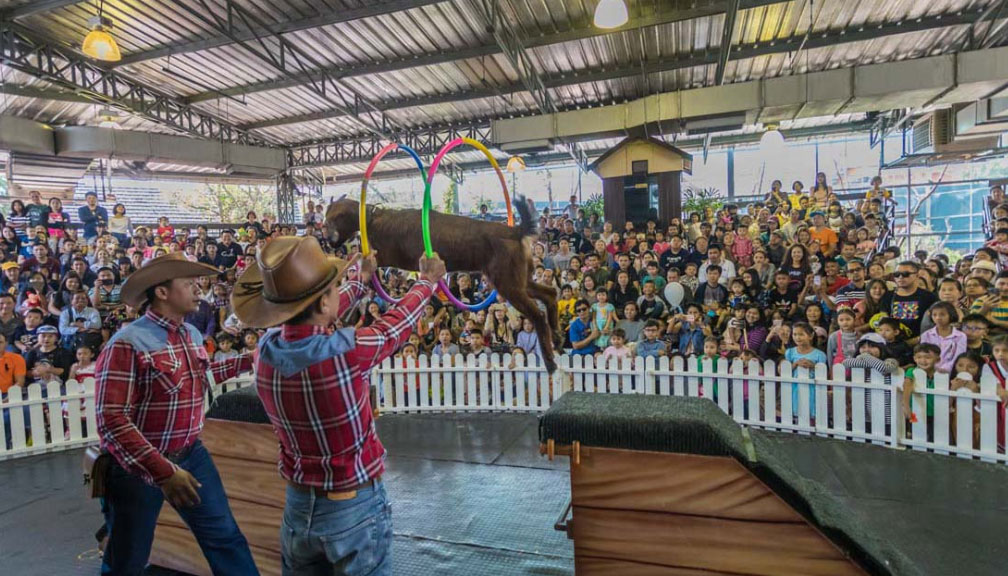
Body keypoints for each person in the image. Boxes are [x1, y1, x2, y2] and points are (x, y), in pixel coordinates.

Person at [235, 236, 442, 575]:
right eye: (333, 288)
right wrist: (426, 282)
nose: (336, 293)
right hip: (353, 508)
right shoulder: (345, 352)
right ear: (322, 304)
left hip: (298, 509)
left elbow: (312, 314)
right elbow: (393, 329)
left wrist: (357, 285)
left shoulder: (265, 351)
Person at [95, 252, 259, 575]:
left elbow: (203, 375)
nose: (199, 289)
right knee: (127, 559)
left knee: (226, 538)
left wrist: (250, 359)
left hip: (190, 453)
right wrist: (164, 471)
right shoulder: (127, 344)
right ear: (162, 292)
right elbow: (111, 420)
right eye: (189, 283)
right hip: (137, 466)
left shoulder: (191, 335)